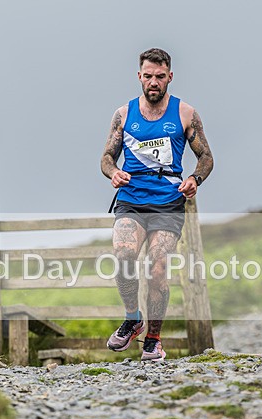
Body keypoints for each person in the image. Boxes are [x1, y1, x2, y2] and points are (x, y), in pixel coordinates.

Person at [100, 48, 214, 362]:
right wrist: (114, 172)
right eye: (148, 76)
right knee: (123, 255)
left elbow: (206, 157)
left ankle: (153, 339)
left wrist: (194, 179)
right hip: (131, 199)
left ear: (170, 77)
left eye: (160, 77)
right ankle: (133, 318)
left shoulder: (185, 113)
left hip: (168, 203)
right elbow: (107, 157)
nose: (153, 82)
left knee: (158, 268)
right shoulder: (123, 115)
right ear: (139, 76)